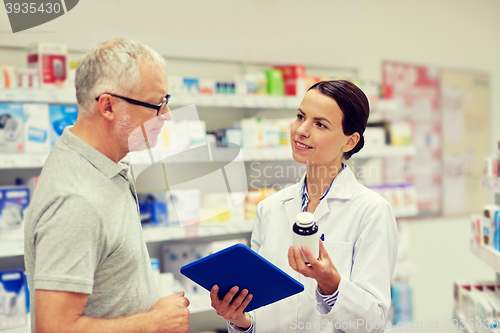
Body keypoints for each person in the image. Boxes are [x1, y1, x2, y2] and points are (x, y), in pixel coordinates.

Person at [24, 38, 190, 333]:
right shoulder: (77, 201)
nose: (167, 115)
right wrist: (153, 323)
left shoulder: (105, 164)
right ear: (108, 106)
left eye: (166, 101)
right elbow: (54, 328)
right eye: (155, 105)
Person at [210, 80, 398, 333]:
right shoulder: (270, 208)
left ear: (350, 142)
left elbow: (373, 323)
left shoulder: (371, 211)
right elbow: (260, 312)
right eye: (300, 117)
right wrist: (241, 320)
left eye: (320, 124)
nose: (301, 130)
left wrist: (331, 283)